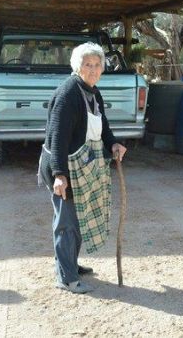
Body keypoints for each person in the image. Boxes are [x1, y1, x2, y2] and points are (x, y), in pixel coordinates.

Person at [38, 42, 127, 294]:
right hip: (63, 167)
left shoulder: (93, 92)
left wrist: (113, 144)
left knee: (76, 219)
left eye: (98, 65)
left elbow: (103, 125)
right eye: (88, 64)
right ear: (77, 66)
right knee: (65, 223)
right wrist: (59, 175)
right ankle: (66, 278)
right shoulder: (68, 94)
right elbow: (57, 138)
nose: (93, 69)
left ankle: (70, 265)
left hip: (81, 167)